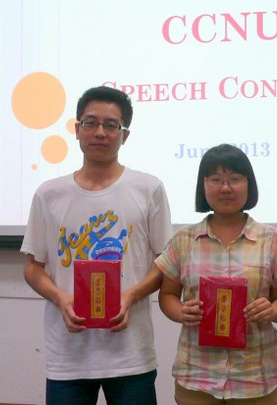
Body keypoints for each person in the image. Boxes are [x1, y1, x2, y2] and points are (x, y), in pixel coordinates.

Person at [21, 86, 173, 405]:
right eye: (90, 123)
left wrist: (131, 295)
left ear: (125, 135)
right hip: (68, 355)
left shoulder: (149, 188)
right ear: (77, 129)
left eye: (111, 125)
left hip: (130, 354)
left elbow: (166, 264)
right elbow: (33, 268)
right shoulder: (49, 194)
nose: (100, 132)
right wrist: (60, 298)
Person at [155, 143, 277, 405]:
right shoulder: (183, 239)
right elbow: (167, 295)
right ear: (203, 185)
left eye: (235, 179)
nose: (225, 188)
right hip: (196, 377)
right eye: (215, 180)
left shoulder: (272, 239)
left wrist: (271, 310)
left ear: (248, 184)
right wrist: (180, 312)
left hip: (255, 378)